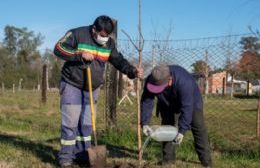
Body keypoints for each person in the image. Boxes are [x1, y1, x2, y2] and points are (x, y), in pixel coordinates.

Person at [53, 15, 143, 167]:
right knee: (71, 123)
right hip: (72, 84)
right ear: (94, 29)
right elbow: (58, 49)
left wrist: (132, 71)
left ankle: (82, 156)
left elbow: (118, 60)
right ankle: (66, 159)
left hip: (92, 88)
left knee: (86, 125)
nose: (105, 39)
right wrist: (78, 54)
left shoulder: (109, 44)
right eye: (102, 35)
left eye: (107, 36)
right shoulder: (77, 34)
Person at [141, 64, 212, 167]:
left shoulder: (184, 82)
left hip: (192, 103)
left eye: (159, 87)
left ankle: (206, 162)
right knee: (167, 128)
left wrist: (182, 131)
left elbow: (187, 107)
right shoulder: (152, 79)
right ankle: (168, 161)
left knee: (198, 129)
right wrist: (145, 123)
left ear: (169, 80)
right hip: (167, 103)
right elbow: (147, 101)